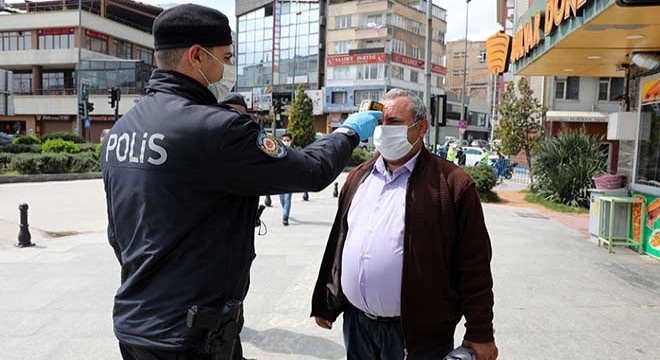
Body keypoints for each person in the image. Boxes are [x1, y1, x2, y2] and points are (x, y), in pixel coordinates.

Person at [101, 4, 382, 360]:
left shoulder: (122, 131)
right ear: (197, 57)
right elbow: (311, 170)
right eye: (226, 56)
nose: (229, 67)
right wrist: (348, 131)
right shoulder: (215, 129)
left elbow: (118, 235)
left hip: (136, 324)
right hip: (191, 335)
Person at [311, 89, 497, 360]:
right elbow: (339, 243)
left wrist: (480, 331)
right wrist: (326, 302)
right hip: (358, 326)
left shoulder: (452, 185)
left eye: (394, 122)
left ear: (421, 127)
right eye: (379, 123)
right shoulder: (358, 178)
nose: (384, 130)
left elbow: (474, 264)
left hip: (417, 334)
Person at [279, 133, 293, 226]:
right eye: (284, 140)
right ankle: (285, 209)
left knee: (287, 198)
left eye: (288, 140)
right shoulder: (278, 151)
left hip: (290, 179)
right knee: (282, 198)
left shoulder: (294, 152)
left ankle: (285, 217)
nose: (286, 142)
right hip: (280, 179)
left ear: (291, 141)